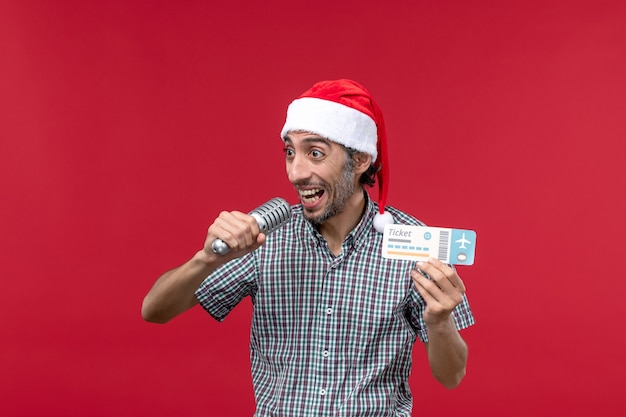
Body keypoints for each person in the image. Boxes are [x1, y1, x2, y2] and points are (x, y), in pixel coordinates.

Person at [142, 79, 475, 416]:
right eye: (290, 152)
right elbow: (154, 311)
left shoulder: (414, 244)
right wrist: (206, 259)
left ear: (360, 159)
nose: (296, 172)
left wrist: (440, 320)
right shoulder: (265, 239)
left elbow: (452, 376)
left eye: (314, 153)